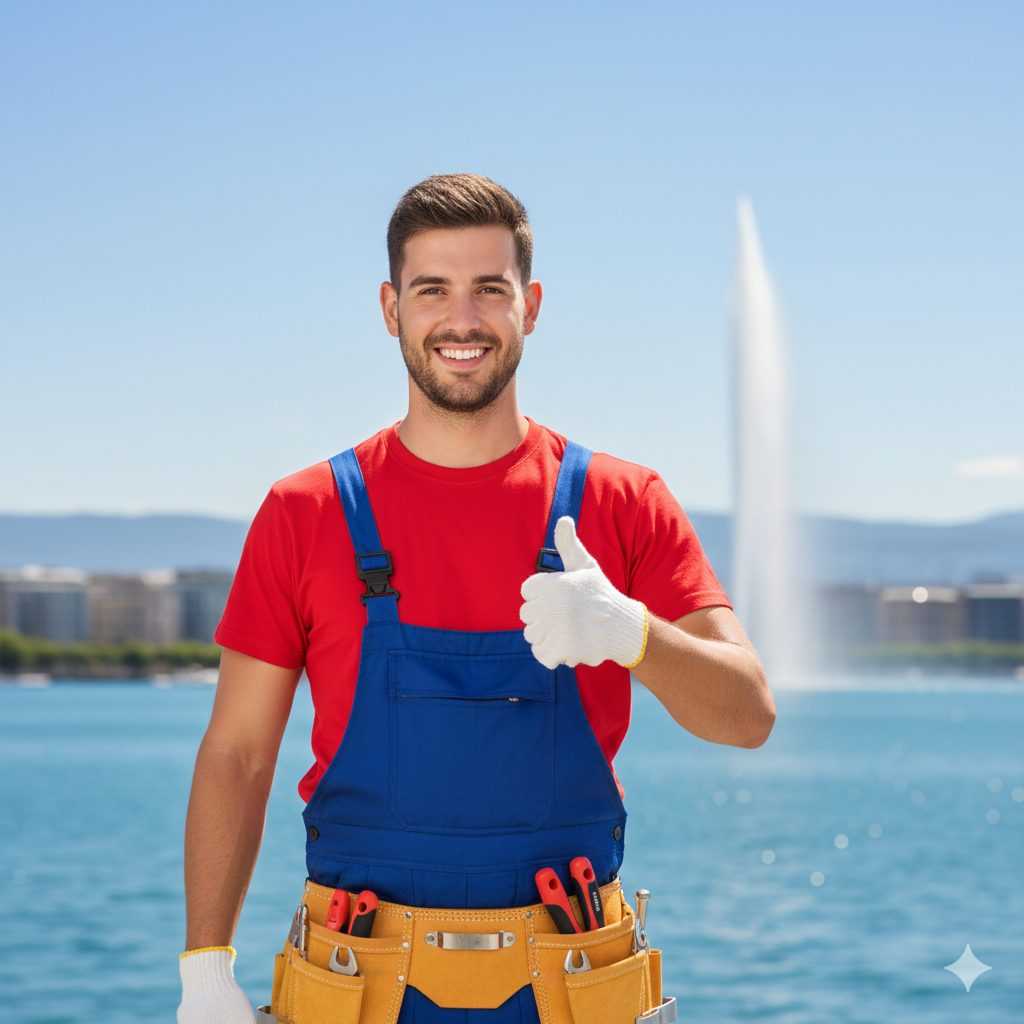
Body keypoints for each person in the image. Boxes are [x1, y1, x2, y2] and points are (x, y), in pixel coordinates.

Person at [176, 172, 775, 1024]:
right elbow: (237, 754)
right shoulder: (304, 512)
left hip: (575, 987)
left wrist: (631, 631)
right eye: (432, 290)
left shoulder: (624, 502)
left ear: (531, 305)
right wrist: (206, 968)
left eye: (490, 289)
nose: (462, 320)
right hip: (354, 985)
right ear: (391, 308)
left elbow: (748, 715)